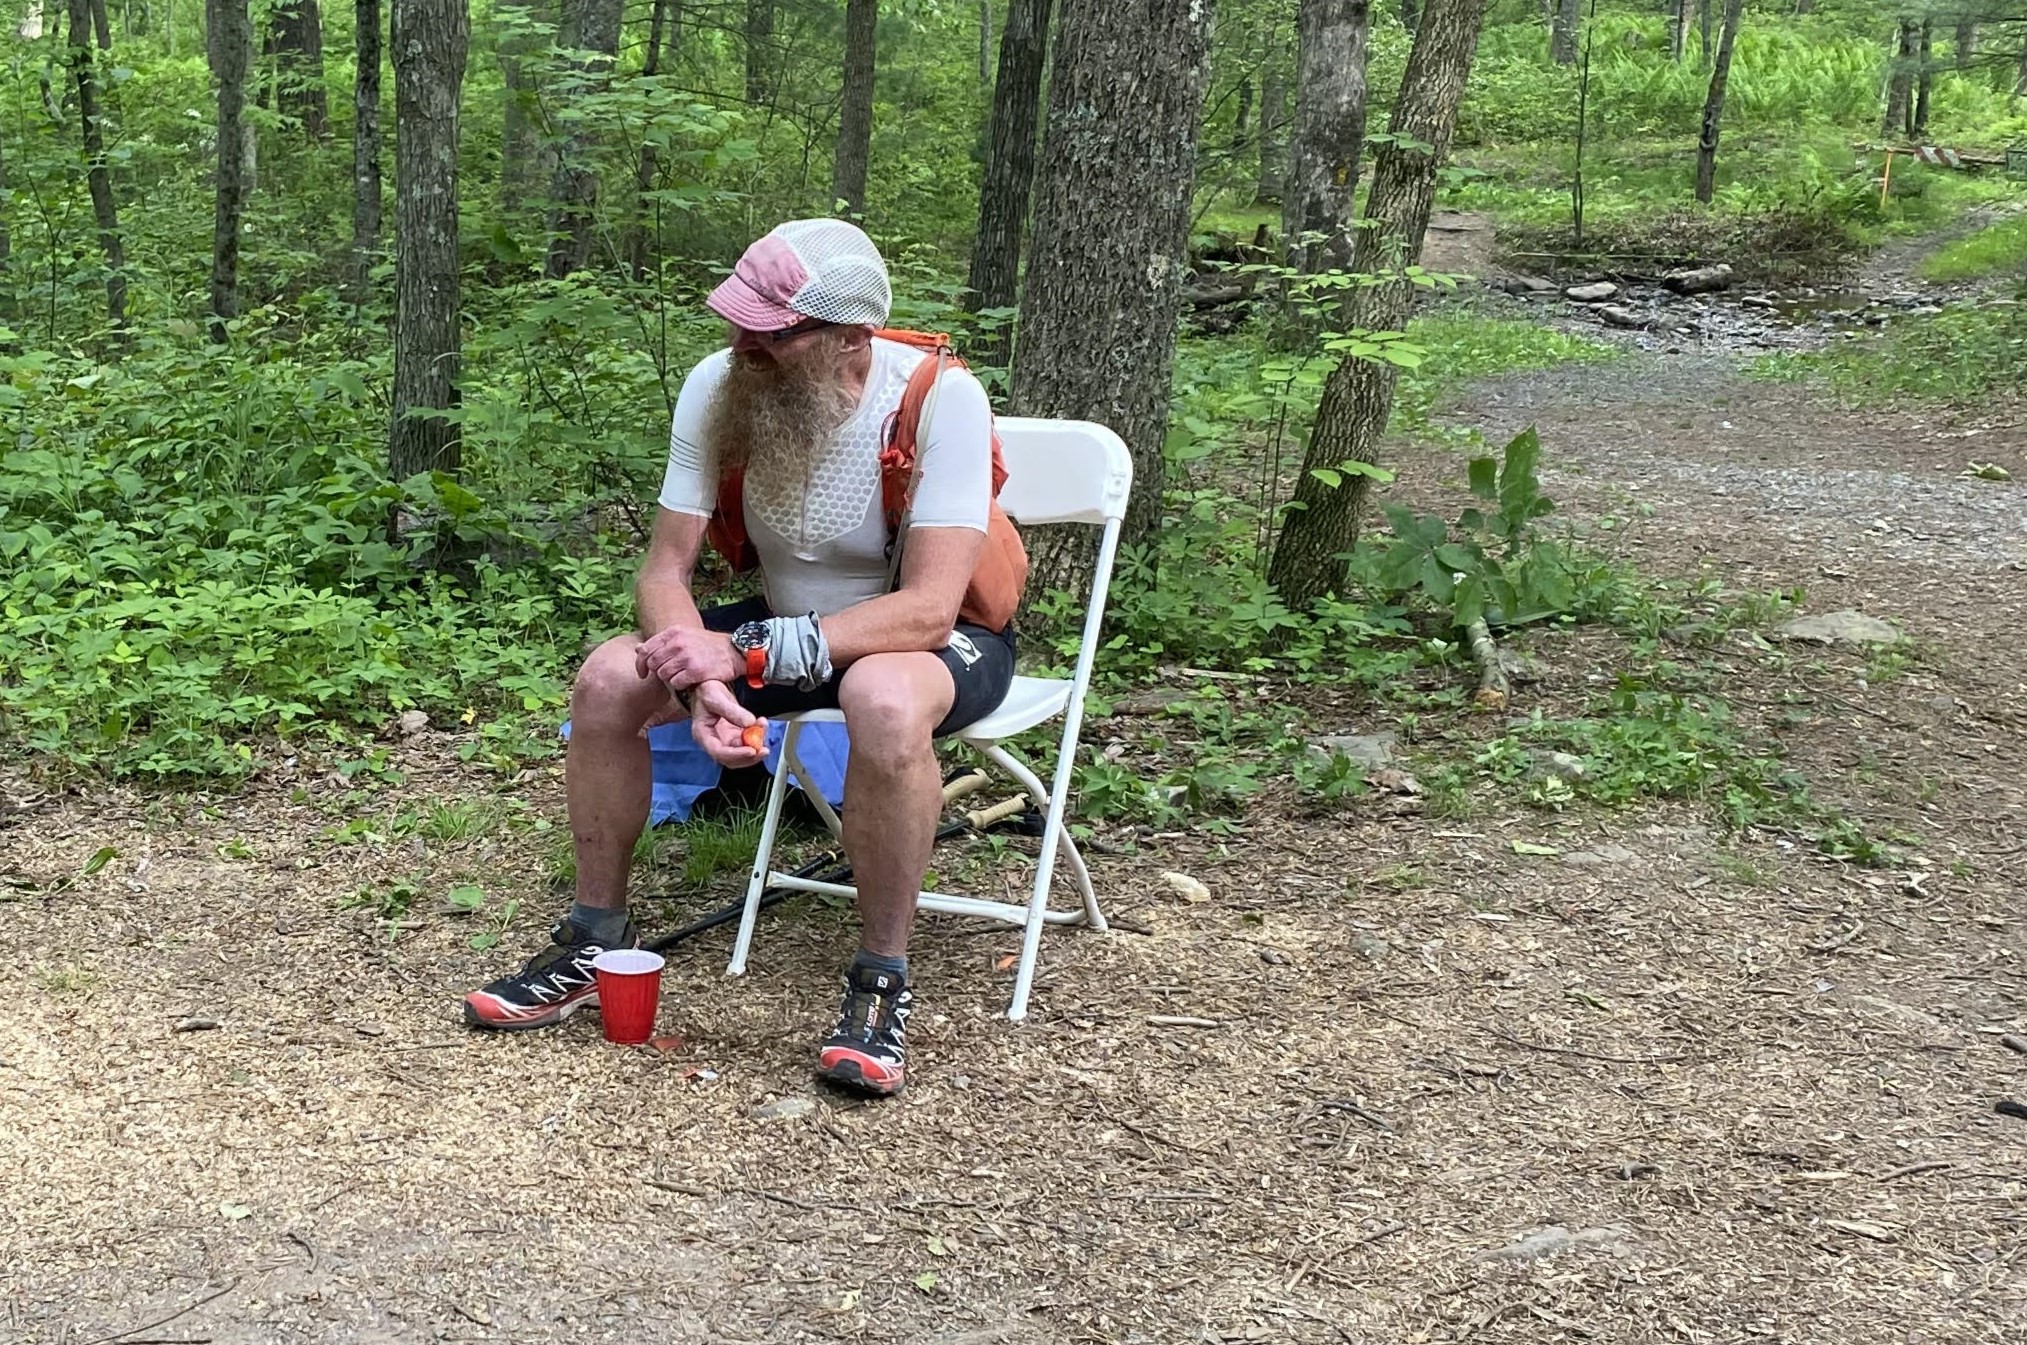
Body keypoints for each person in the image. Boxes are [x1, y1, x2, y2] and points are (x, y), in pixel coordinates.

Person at [461, 219, 1021, 1097]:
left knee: (878, 695)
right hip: (777, 621)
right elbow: (664, 571)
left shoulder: (939, 398)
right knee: (610, 676)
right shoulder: (719, 386)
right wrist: (706, 676)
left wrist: (745, 650)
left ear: (850, 338)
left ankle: (881, 978)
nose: (742, 345)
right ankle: (594, 932)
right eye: (737, 322)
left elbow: (927, 607)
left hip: (918, 639)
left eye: (769, 332)